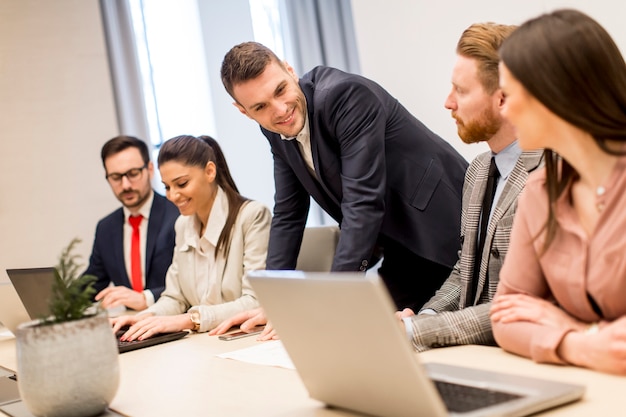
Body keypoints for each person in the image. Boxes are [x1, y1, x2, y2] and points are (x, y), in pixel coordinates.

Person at [220, 41, 468, 312]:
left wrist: (336, 297)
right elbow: (289, 213)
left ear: (290, 71)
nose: (279, 110)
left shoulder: (345, 96)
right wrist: (274, 305)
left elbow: (361, 203)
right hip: (399, 247)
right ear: (243, 111)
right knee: (367, 330)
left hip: (449, 227)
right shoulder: (274, 130)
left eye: (281, 90)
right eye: (260, 107)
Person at [489, 9, 626, 375]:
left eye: (510, 92)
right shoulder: (538, 191)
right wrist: (578, 346)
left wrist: (572, 328)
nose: (503, 108)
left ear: (554, 92)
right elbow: (505, 315)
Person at [395, 23, 543, 351]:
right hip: (475, 353)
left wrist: (418, 332)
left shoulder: (550, 176)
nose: (448, 103)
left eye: (461, 91)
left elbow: (525, 303)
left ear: (502, 99)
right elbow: (465, 270)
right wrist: (422, 317)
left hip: (520, 356)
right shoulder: (477, 171)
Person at [111, 135, 271, 340]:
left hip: (243, 340)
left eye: (182, 183)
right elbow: (174, 297)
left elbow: (255, 301)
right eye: (167, 187)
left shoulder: (252, 216)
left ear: (210, 171)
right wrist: (146, 317)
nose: (173, 195)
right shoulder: (183, 225)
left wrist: (190, 319)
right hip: (204, 342)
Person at [85, 135, 179, 311]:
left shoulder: (178, 215)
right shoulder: (106, 228)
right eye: (115, 177)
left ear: (150, 170)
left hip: (174, 318)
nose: (125, 184)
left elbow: (192, 284)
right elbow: (91, 284)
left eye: (133, 174)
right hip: (131, 326)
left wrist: (146, 298)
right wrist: (56, 302)